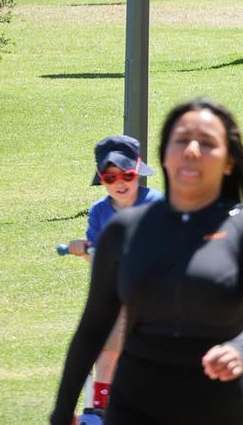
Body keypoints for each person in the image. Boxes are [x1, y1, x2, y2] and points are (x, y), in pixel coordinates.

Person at [50, 99, 243, 425]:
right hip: (133, 408)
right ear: (163, 155)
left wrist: (242, 348)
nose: (192, 150)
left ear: (229, 161)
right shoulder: (123, 230)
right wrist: (62, 411)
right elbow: (93, 325)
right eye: (181, 139)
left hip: (219, 408)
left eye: (207, 142)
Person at [61, 136, 164, 417]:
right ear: (102, 179)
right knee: (107, 348)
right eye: (110, 177)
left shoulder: (156, 204)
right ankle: (101, 407)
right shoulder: (99, 212)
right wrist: (82, 248)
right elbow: (95, 254)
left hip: (155, 295)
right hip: (116, 293)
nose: (120, 183)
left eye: (127, 175)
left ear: (138, 172)